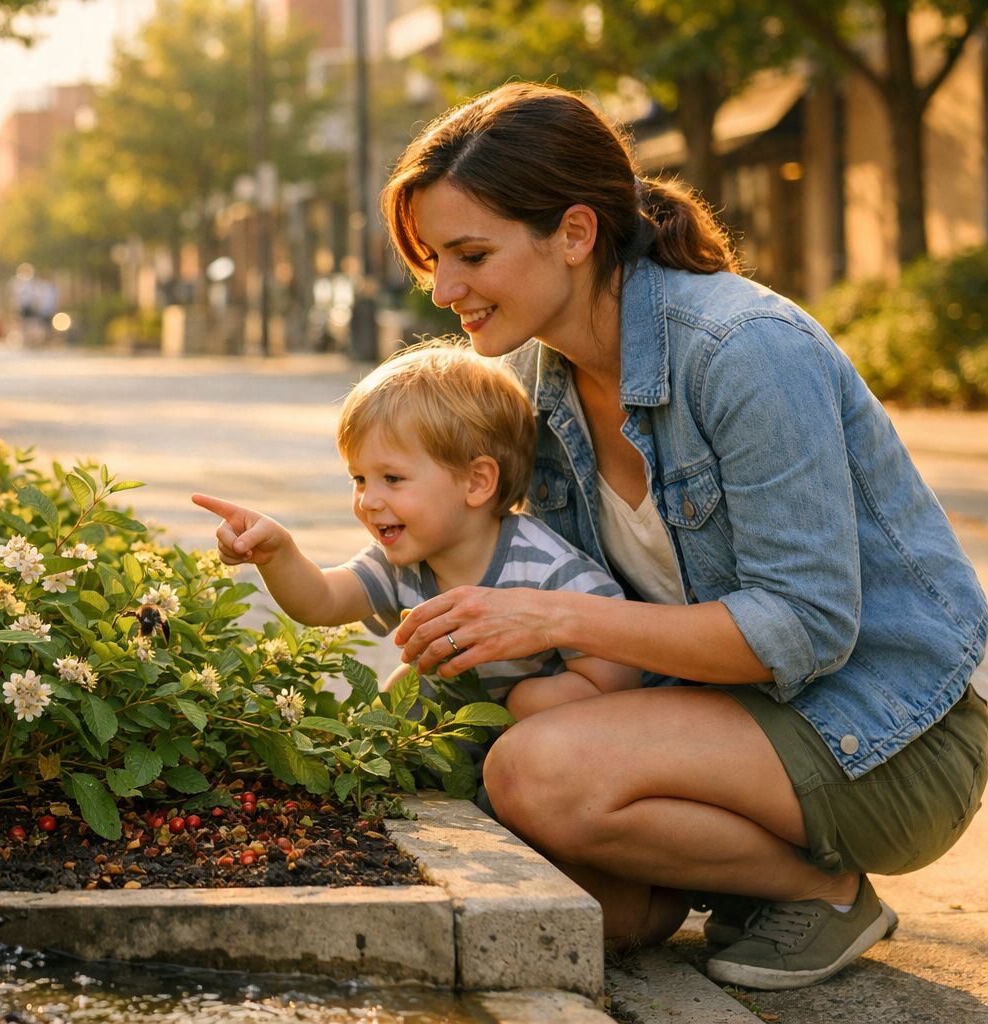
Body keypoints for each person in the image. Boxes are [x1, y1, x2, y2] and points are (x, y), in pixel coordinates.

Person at [379, 81, 988, 991]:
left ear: (576, 235)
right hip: (720, 717)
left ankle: (819, 891)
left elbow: (805, 629)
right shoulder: (537, 378)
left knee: (537, 777)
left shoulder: (742, 350)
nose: (445, 289)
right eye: (434, 259)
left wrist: (552, 621)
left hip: (886, 732)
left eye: (471, 254)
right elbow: (480, 547)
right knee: (599, 907)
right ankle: (715, 887)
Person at [193, 340, 639, 720]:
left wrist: (519, 704)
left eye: (392, 478)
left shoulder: (548, 570)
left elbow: (618, 673)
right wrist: (279, 554)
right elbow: (323, 601)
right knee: (401, 692)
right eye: (359, 479)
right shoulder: (401, 561)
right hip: (453, 746)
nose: (368, 500)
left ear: (476, 481)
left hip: (544, 749)